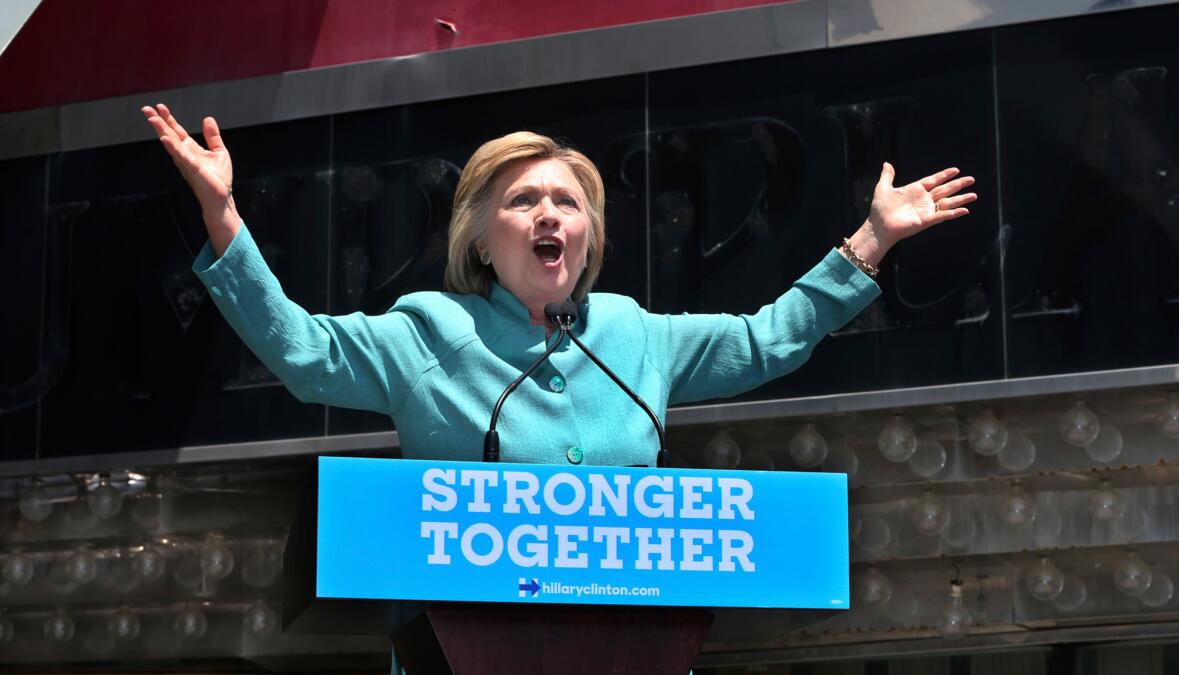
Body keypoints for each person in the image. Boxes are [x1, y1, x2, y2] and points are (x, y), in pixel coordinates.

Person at [140, 103, 974, 469]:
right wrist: (222, 214)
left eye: (568, 202)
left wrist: (872, 239)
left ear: (588, 236)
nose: (550, 216)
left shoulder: (633, 335)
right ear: (479, 233)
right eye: (524, 200)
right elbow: (304, 353)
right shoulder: (429, 332)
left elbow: (764, 340)